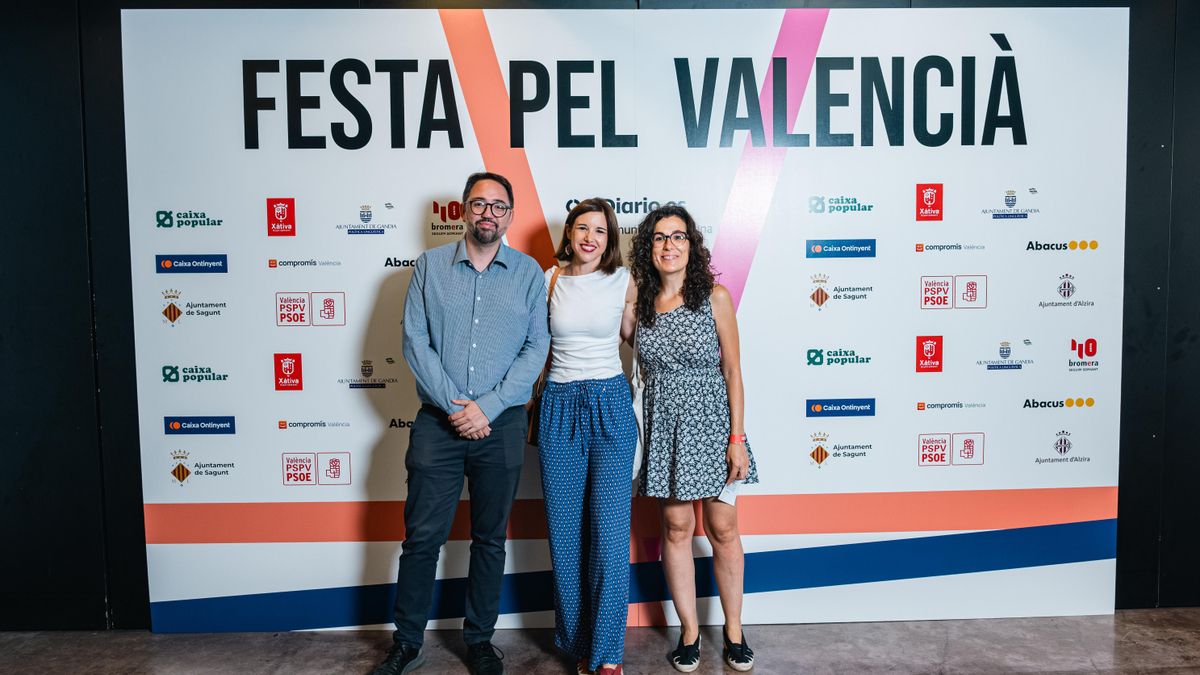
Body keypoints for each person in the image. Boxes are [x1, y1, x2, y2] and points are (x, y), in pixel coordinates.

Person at [373, 172, 550, 675]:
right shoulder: (429, 266)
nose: (488, 214)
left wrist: (486, 407)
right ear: (463, 210)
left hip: (502, 425)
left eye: (498, 206)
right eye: (479, 204)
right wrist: (456, 407)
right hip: (438, 423)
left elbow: (536, 347)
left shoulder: (528, 274)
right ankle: (407, 643)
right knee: (421, 539)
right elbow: (415, 340)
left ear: (509, 215)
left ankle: (479, 641)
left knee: (490, 539)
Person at [629, 205, 759, 673]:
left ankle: (734, 630)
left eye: (678, 236)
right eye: (660, 237)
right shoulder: (640, 303)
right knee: (676, 529)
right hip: (665, 428)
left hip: (713, 425)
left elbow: (733, 371)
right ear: (649, 247)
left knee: (723, 529)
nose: (669, 245)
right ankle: (689, 632)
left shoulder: (714, 297)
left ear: (692, 244)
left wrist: (737, 438)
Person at [538, 198, 638, 675]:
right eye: (583, 227)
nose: (590, 237)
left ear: (609, 238)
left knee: (611, 535)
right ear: (570, 233)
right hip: (559, 405)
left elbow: (641, 341)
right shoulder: (550, 279)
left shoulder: (624, 280)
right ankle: (579, 641)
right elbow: (533, 345)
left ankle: (607, 653)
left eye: (600, 230)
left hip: (610, 403)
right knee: (565, 533)